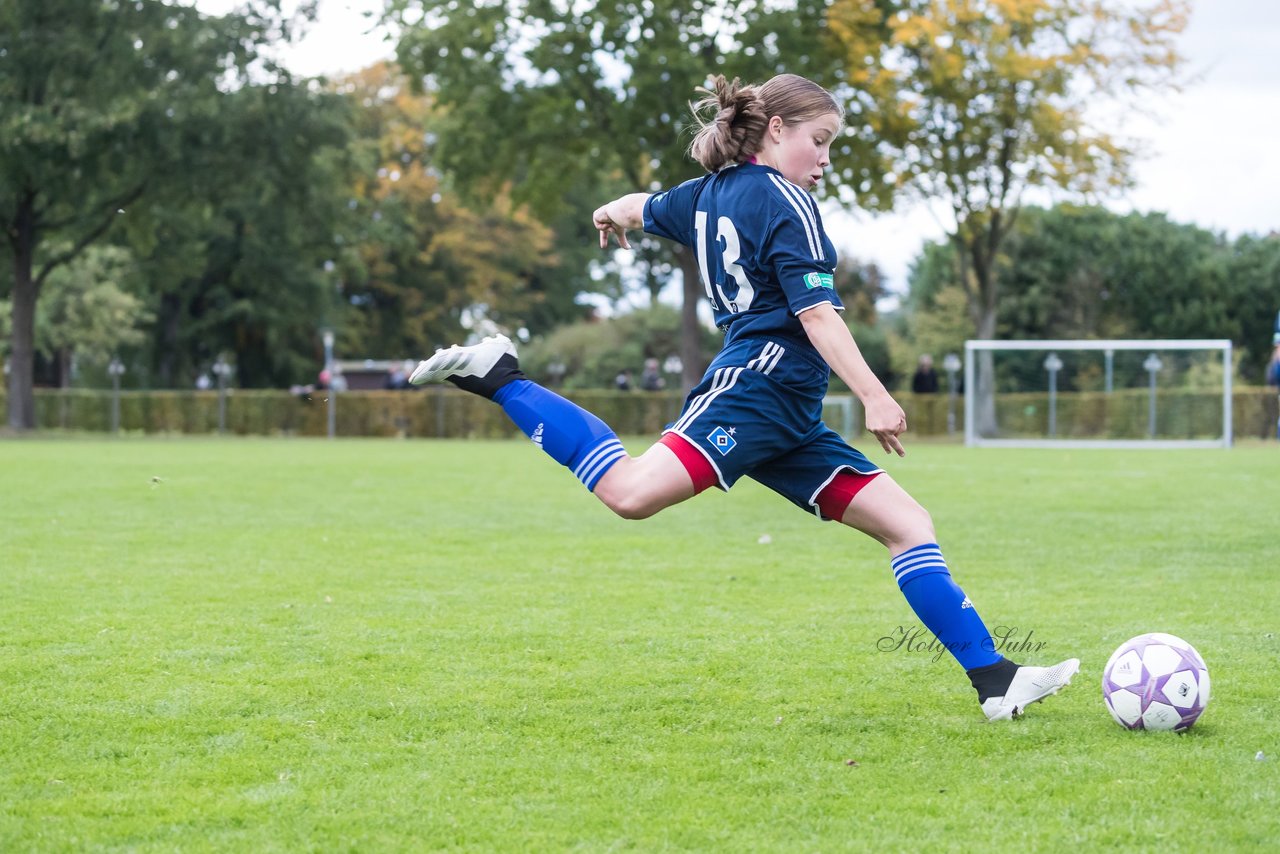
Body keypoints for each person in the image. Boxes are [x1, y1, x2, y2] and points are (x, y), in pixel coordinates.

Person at [408, 73, 1077, 721]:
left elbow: (648, 205)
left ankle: (996, 681)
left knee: (908, 526)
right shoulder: (787, 203)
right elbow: (816, 315)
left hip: (788, 413)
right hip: (755, 389)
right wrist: (874, 395)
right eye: (820, 139)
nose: (825, 158)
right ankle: (503, 377)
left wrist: (614, 211)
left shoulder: (710, 192)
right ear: (777, 129)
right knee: (631, 494)